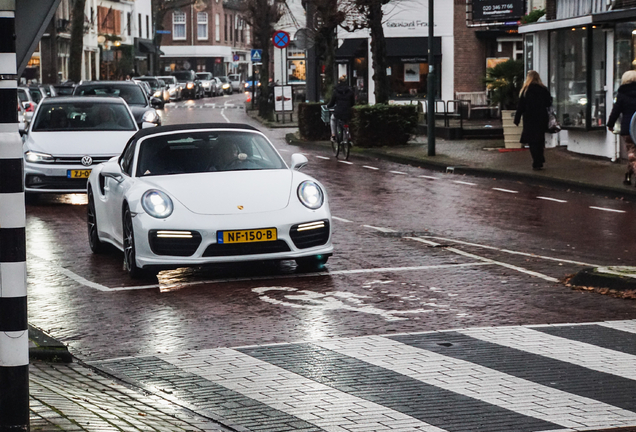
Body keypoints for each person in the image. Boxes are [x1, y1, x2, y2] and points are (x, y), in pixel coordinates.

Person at [514, 70, 552, 170]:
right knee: (540, 139)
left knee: (532, 140)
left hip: (530, 118)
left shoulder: (526, 90)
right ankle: (540, 158)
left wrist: (517, 118)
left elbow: (521, 106)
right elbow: (548, 103)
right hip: (541, 117)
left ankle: (536, 160)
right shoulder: (543, 89)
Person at [607, 70, 636, 185]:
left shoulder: (622, 94)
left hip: (628, 129)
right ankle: (628, 175)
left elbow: (616, 111)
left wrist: (610, 124)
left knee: (632, 153)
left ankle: (629, 175)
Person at [327, 75, 355, 143]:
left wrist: (328, 106)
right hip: (347, 112)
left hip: (338, 112)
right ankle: (348, 136)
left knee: (332, 119)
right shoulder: (350, 91)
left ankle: (333, 135)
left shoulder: (336, 91)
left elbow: (332, 103)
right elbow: (353, 102)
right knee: (346, 122)